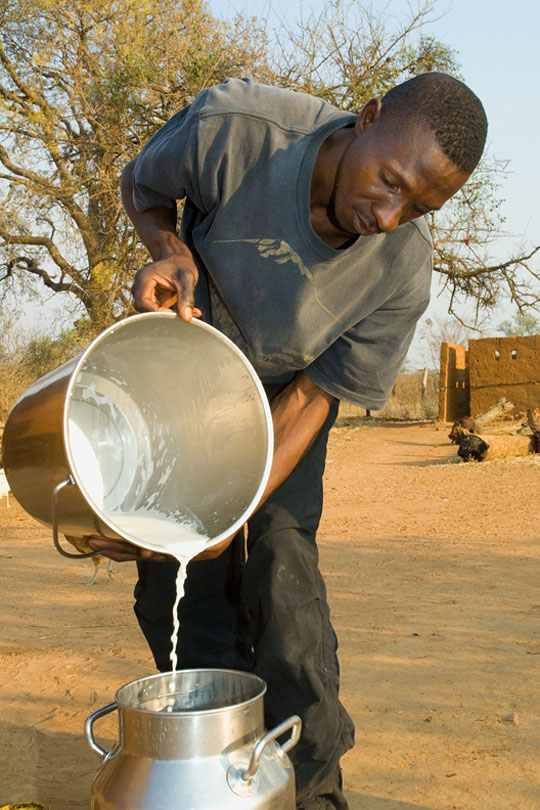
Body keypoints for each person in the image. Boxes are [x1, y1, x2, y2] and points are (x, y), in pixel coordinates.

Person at [87, 72, 487, 809]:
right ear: (366, 119)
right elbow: (141, 185)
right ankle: (211, 776)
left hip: (285, 396)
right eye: (389, 180)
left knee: (280, 559)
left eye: (418, 207)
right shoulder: (238, 128)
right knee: (175, 576)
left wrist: (228, 511)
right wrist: (170, 248)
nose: (388, 214)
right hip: (188, 372)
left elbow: (312, 398)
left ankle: (311, 788)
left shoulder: (403, 272)